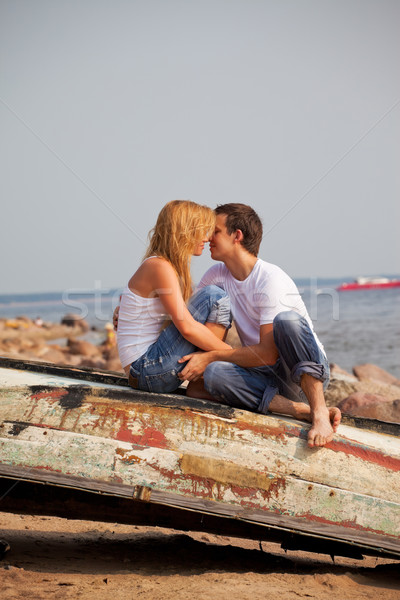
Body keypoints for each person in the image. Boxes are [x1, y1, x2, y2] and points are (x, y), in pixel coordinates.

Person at [177, 203, 340, 448]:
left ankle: (318, 411)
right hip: (263, 376)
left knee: (287, 322)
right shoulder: (216, 275)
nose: (208, 236)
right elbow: (187, 317)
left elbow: (267, 353)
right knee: (214, 374)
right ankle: (297, 410)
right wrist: (131, 312)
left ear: (237, 235)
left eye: (216, 230)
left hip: (301, 374)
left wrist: (210, 356)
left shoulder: (270, 279)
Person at [116, 200, 233, 395]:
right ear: (185, 232)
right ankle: (208, 378)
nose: (206, 238)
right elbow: (187, 327)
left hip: (146, 370)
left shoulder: (163, 266)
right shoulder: (159, 267)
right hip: (147, 369)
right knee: (214, 296)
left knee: (210, 296)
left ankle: (207, 374)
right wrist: (234, 355)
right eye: (202, 231)